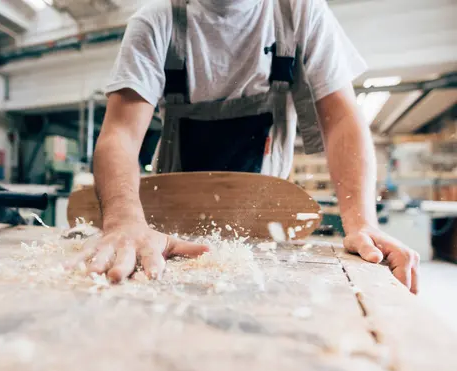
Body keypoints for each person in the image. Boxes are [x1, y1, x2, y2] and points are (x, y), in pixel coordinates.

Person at [84, 0, 419, 293]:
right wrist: (125, 221)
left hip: (267, 234)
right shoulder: (158, 22)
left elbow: (343, 120)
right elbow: (120, 134)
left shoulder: (297, 13)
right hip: (167, 240)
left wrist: (362, 222)